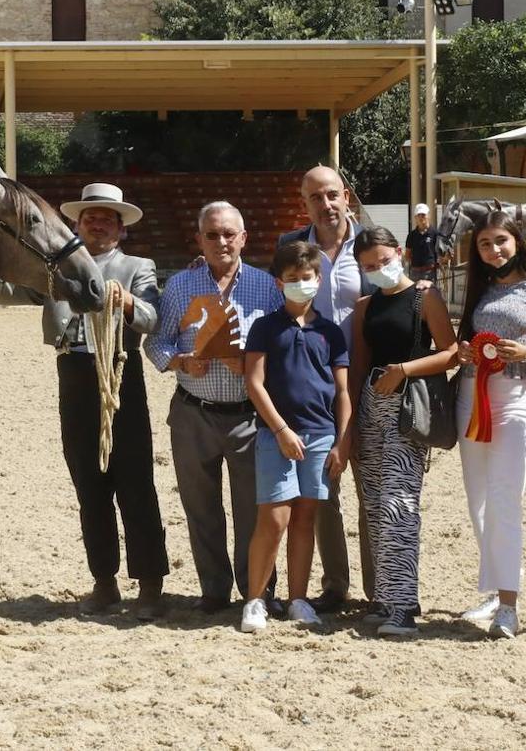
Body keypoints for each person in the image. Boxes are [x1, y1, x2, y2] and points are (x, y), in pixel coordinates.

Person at [0, 183, 170, 620]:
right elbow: (12, 291)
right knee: (89, 482)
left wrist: (123, 304)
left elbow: (152, 317)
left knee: (136, 481)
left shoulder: (137, 267)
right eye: (90, 218)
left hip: (120, 371)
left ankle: (150, 583)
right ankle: (103, 581)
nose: (97, 224)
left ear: (120, 230)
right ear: (77, 225)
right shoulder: (54, 267)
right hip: (73, 372)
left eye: (106, 219)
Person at [148, 201, 283, 614]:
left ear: (244, 238)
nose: (221, 241)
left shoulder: (267, 287)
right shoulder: (179, 287)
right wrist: (179, 361)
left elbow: (284, 345)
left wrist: (256, 362)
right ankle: (214, 589)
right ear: (199, 240)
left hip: (249, 413)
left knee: (252, 509)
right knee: (200, 506)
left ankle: (257, 591)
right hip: (193, 412)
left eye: (229, 234)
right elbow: (155, 342)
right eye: (212, 234)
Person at [454, 211, 526, 639]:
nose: (494, 249)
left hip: (514, 399)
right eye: (484, 244)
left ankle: (510, 605)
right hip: (470, 396)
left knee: (506, 499)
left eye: (501, 240)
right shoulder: (478, 289)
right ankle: (495, 590)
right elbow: (465, 340)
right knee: (478, 500)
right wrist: (464, 352)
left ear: (517, 241)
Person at [344, 226, 458, 637]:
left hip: (408, 404)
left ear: (399, 252)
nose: (378, 270)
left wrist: (405, 370)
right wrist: (352, 421)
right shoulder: (364, 306)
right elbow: (358, 365)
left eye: (383, 261)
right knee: (375, 503)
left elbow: (451, 352)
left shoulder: (425, 296)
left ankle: (403, 607)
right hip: (372, 404)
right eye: (369, 267)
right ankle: (388, 597)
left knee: (399, 504)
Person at [275, 165, 374, 614]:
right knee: (323, 488)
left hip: (370, 380)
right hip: (314, 384)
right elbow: (269, 294)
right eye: (316, 197)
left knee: (372, 489)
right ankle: (336, 584)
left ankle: (380, 588)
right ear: (305, 203)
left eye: (332, 195)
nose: (326, 204)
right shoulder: (290, 247)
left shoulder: (375, 243)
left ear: (347, 196)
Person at [239, 241, 351, 632]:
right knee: (274, 517)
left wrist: (342, 440)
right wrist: (281, 429)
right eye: (292, 280)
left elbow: (342, 391)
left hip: (320, 436)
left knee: (305, 519)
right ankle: (255, 599)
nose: (300, 285)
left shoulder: (331, 332)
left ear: (318, 280)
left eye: (307, 278)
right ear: (279, 282)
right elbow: (255, 383)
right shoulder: (265, 327)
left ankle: (298, 598)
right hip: (277, 436)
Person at [404, 203, 443, 284]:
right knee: (415, 296)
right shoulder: (411, 235)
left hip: (430, 273)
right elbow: (407, 255)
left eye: (423, 214)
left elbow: (441, 254)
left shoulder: (435, 233)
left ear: (428, 215)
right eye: (419, 215)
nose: (421, 217)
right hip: (415, 273)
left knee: (430, 296)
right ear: (415, 217)